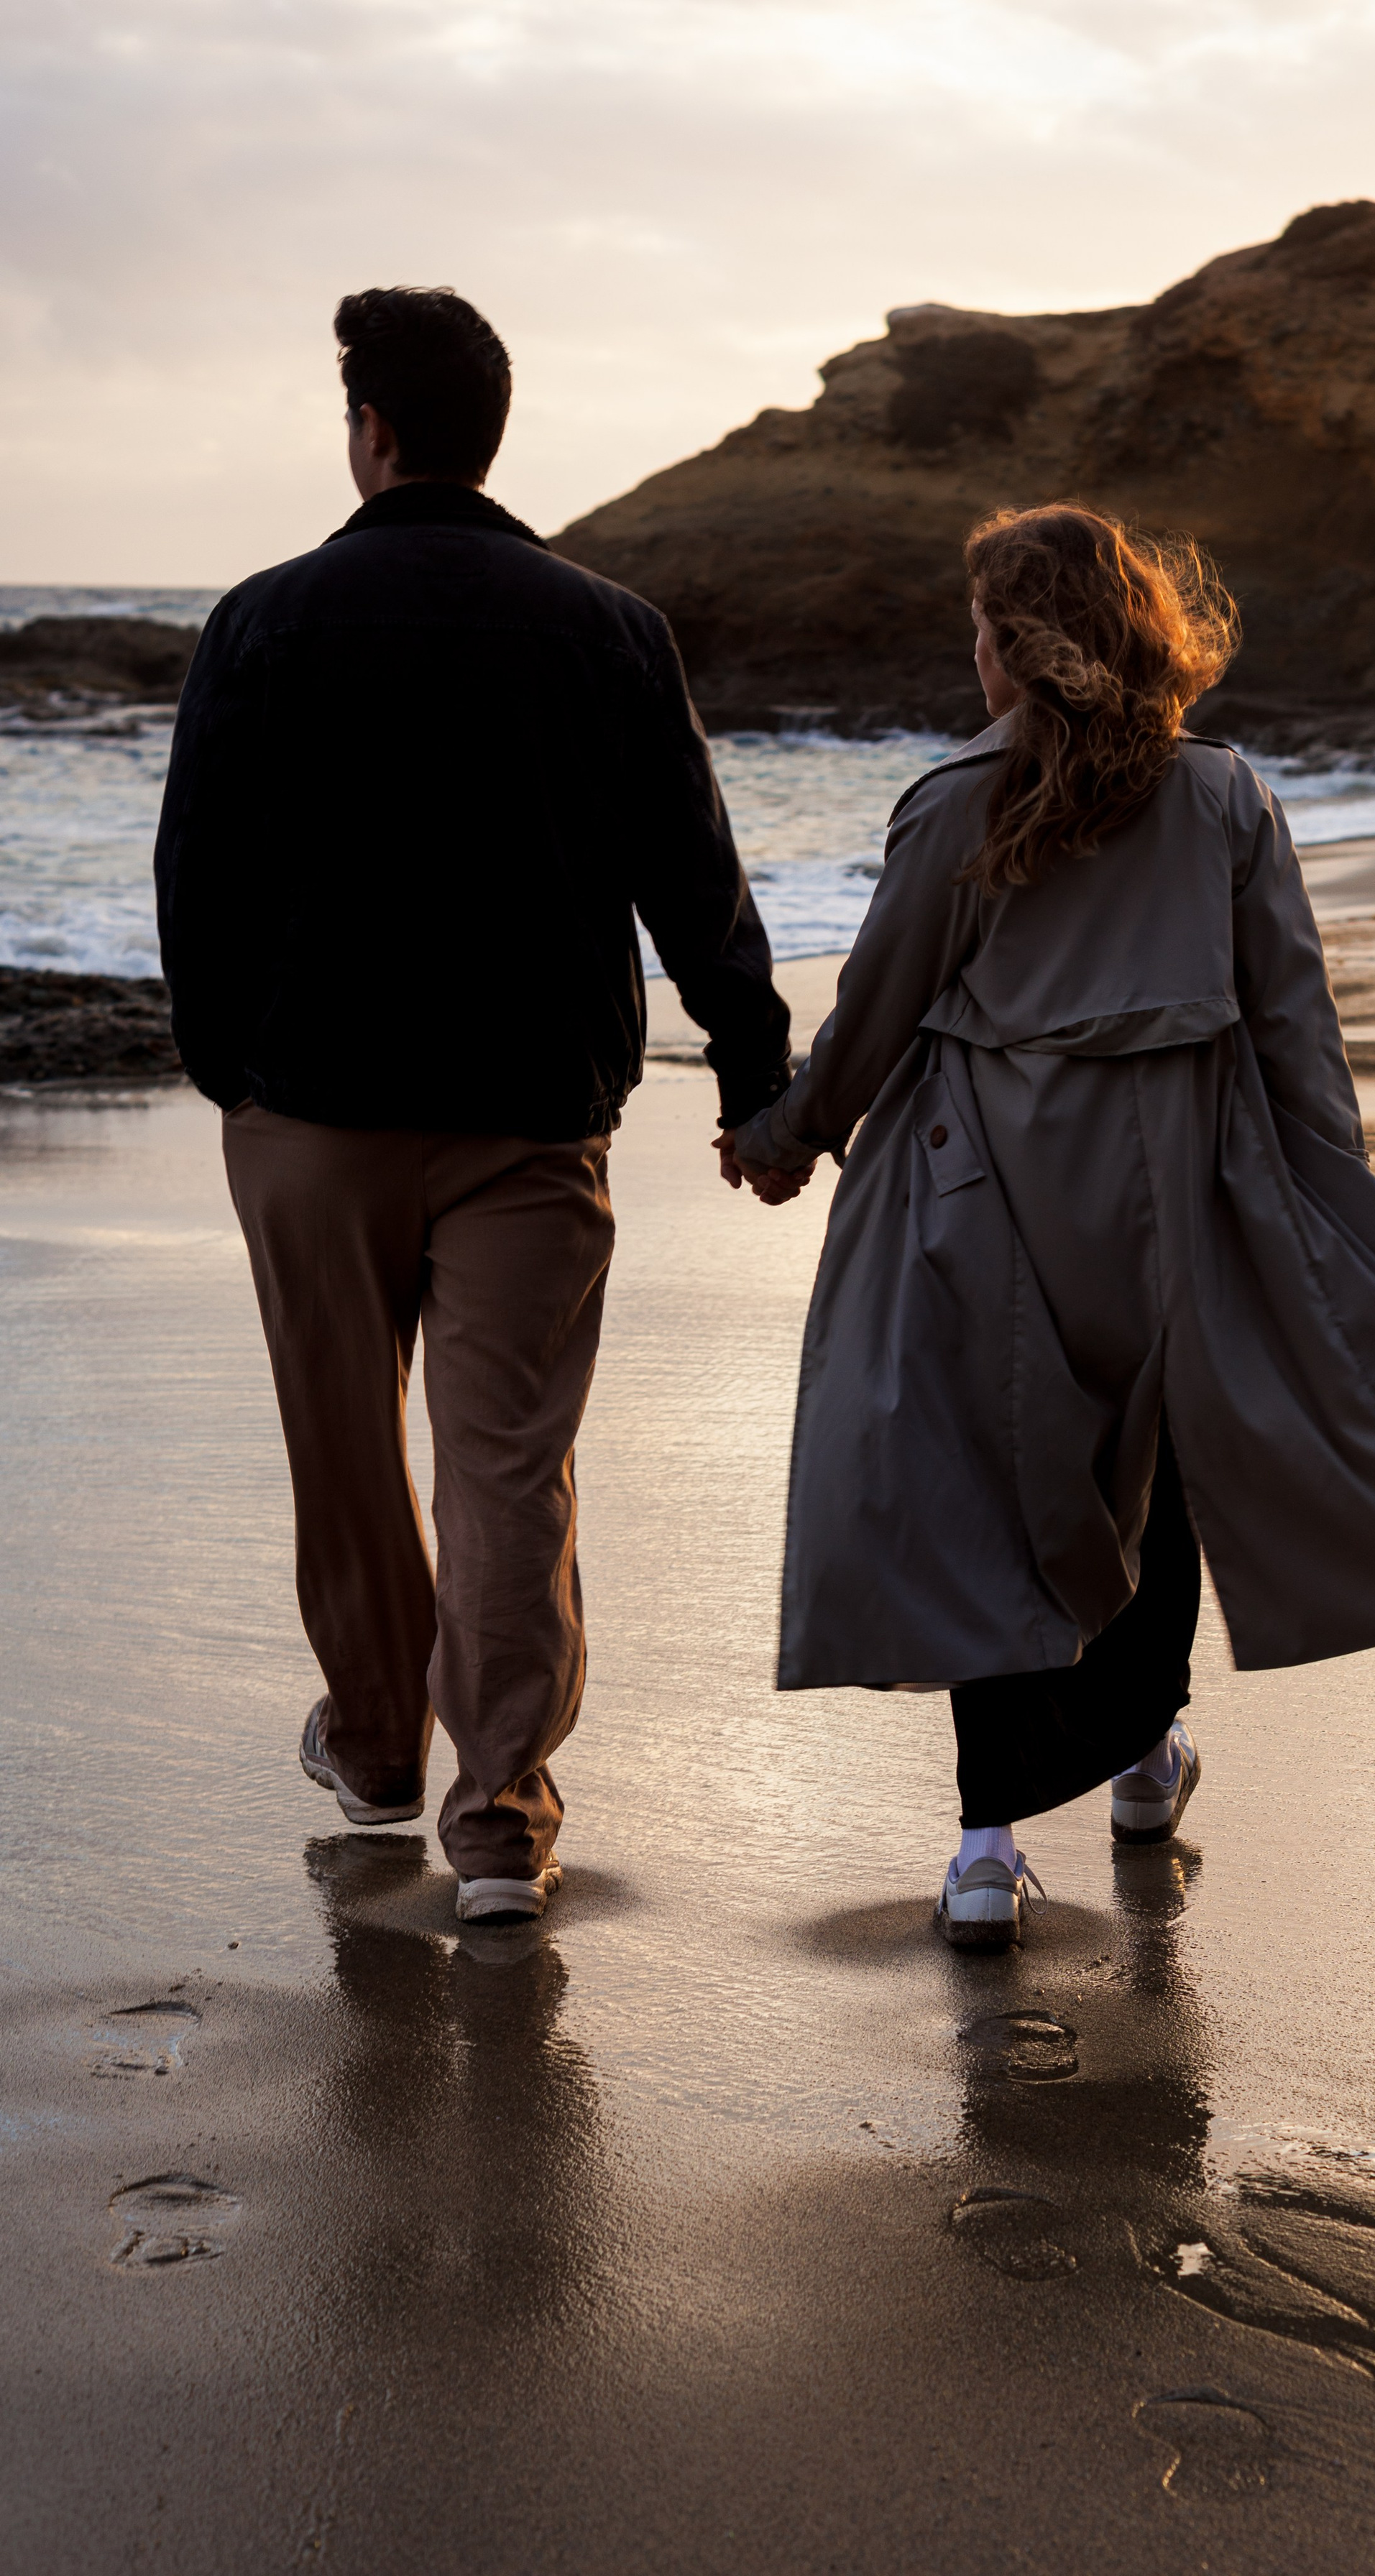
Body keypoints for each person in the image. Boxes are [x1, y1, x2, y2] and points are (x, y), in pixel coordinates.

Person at [722, 502, 1375, 1949]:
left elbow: (873, 1014)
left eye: (978, 628)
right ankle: (1145, 1764)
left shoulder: (948, 800)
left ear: (1012, 645)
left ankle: (985, 1847)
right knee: (1152, 1485)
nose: (968, 652)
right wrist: (1322, 1203)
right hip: (1181, 1192)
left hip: (986, 1193)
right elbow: (1296, 1025)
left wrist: (783, 1135)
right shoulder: (1223, 797)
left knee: (1006, 1491)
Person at [156, 286, 793, 1924]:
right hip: (528, 1112)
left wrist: (231, 1066)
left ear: (370, 431)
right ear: (490, 431)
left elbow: (197, 879)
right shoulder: (607, 627)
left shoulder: (263, 618)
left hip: (313, 1113)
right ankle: (499, 1814)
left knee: (345, 1445)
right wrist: (751, 1065)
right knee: (510, 1461)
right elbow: (691, 876)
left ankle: (377, 1748)